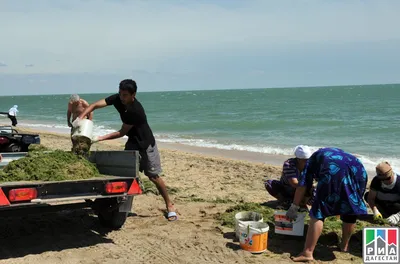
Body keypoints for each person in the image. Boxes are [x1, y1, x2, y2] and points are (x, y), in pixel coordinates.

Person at [73, 79, 177, 222]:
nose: (122, 98)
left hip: (145, 144)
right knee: (126, 172)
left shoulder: (135, 111)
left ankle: (169, 205)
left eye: (125, 95)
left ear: (133, 95)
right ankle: (121, 208)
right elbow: (95, 105)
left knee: (153, 176)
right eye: (120, 94)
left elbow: (121, 133)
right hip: (133, 141)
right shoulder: (117, 98)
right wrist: (80, 117)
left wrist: (98, 138)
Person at [286, 147, 368, 262]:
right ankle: (344, 246)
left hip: (334, 172)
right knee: (350, 209)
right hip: (359, 169)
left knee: (318, 212)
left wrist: (294, 206)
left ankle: (307, 252)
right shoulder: (337, 153)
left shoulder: (313, 159)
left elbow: (303, 185)